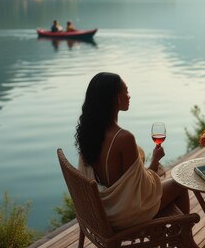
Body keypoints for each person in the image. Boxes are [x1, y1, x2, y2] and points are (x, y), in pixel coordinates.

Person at [75, 72, 189, 230]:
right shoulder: (123, 138)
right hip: (124, 214)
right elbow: (142, 190)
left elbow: (129, 184)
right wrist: (155, 161)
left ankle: (171, 238)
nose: (129, 96)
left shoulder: (89, 133)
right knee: (180, 185)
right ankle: (185, 240)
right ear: (115, 97)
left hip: (103, 210)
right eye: (126, 91)